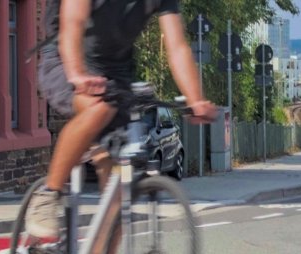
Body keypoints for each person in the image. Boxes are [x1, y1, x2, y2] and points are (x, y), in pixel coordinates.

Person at [27, 0, 217, 239]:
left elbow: (177, 46)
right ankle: (48, 194)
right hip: (65, 60)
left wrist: (196, 99)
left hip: (115, 76)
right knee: (99, 109)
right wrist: (77, 74)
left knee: (118, 198)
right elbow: (73, 22)